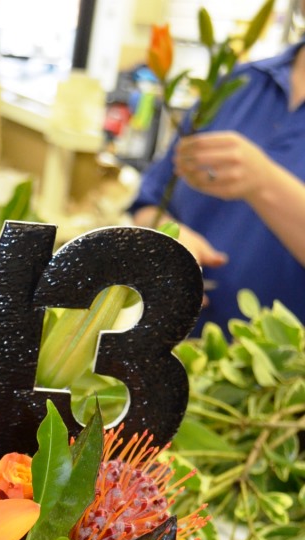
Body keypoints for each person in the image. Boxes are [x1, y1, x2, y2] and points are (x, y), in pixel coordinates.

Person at [129, 29, 305, 332]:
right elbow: (149, 203)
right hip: (175, 345)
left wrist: (264, 183)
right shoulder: (237, 84)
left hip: (284, 373)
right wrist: (171, 238)